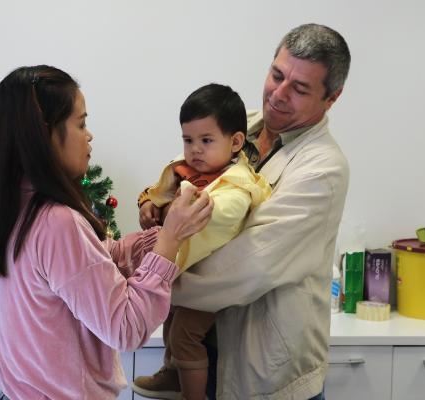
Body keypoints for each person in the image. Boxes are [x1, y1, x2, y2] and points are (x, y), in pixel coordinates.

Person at [0, 65, 213, 400]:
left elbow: (98, 259)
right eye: (81, 124)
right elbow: (126, 327)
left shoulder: (12, 204)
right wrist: (170, 240)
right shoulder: (56, 222)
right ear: (44, 135)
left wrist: (162, 234)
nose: (89, 135)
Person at [138, 23, 351, 400]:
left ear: (331, 98)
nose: (278, 95)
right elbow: (185, 173)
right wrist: (154, 201)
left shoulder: (323, 169)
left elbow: (249, 266)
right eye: (277, 75)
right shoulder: (241, 125)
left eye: (300, 88)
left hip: (265, 370)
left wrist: (155, 281)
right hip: (207, 352)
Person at [132, 83, 271, 400]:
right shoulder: (188, 170)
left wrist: (170, 211)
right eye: (188, 140)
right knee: (170, 320)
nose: (195, 149)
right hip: (185, 271)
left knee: (184, 335)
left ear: (235, 142)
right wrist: (149, 204)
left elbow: (213, 212)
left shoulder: (237, 186)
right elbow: (158, 191)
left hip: (212, 281)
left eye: (206, 140)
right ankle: (172, 375)